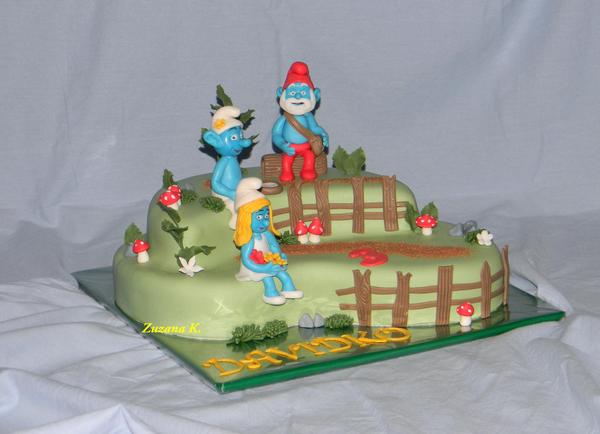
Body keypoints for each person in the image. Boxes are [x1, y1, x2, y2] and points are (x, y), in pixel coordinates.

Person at [233, 178, 302, 305]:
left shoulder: (267, 233)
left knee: (283, 274)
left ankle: (288, 288)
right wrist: (263, 267)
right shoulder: (249, 238)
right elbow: (247, 260)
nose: (265, 222)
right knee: (267, 277)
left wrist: (279, 257)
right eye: (259, 217)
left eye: (266, 216)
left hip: (268, 260)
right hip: (254, 266)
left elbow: (274, 246)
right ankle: (270, 292)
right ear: (245, 218)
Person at [272, 61, 329, 182]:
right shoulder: (284, 118)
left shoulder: (308, 116)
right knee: (287, 159)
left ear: (315, 95)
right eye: (293, 93)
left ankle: (308, 170)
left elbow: (314, 128)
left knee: (310, 156)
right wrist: (282, 144)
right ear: (281, 94)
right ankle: (286, 171)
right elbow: (276, 134)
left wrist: (323, 134)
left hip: (306, 147)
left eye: (303, 93)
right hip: (290, 147)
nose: (297, 97)